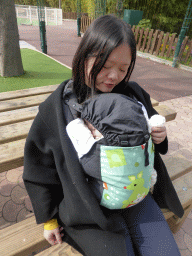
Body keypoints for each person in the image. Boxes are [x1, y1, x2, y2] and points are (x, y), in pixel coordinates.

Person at [23, 15, 184, 256]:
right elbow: (39, 168)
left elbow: (150, 139)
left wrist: (158, 136)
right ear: (84, 55)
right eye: (105, 66)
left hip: (134, 194)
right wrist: (48, 220)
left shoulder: (133, 96)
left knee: (164, 252)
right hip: (89, 208)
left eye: (123, 68)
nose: (113, 76)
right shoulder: (57, 108)